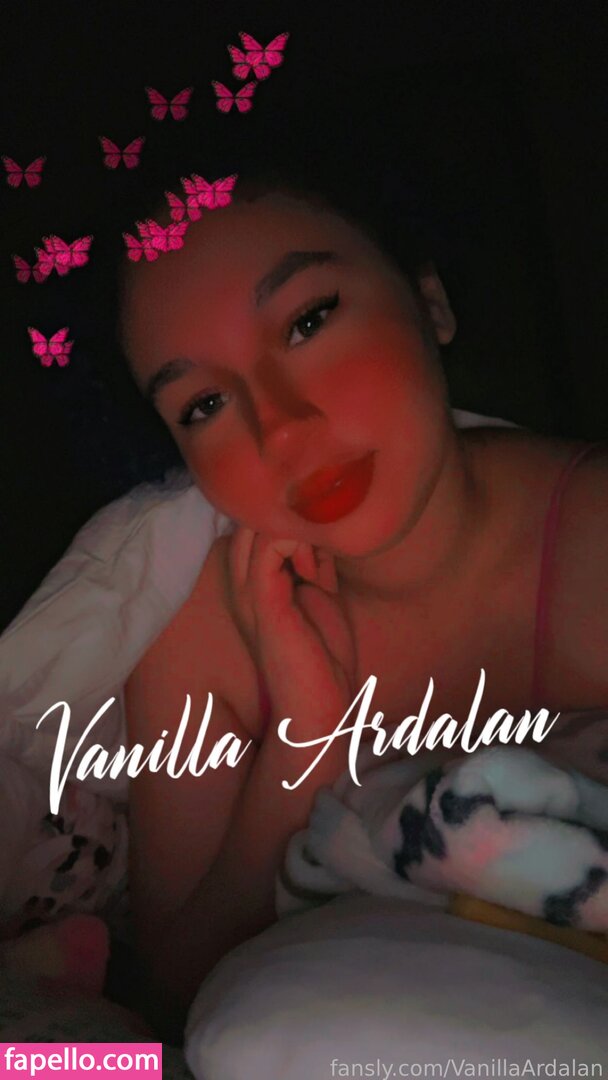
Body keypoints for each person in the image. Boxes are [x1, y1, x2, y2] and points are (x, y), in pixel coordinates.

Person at [118, 166, 608, 1042]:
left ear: (430, 302)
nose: (279, 425)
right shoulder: (198, 640)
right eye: (204, 404)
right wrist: (301, 740)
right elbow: (161, 1006)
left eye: (308, 322)